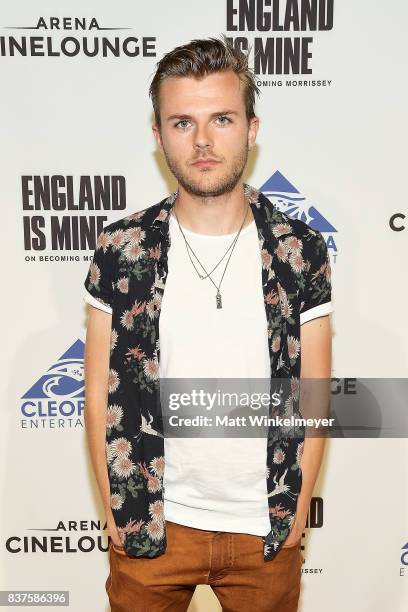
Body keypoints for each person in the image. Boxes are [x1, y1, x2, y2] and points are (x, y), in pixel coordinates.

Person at [83, 35, 333, 612]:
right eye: (181, 122)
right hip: (152, 524)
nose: (202, 140)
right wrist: (114, 510)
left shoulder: (300, 250)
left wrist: (296, 514)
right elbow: (98, 392)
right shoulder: (122, 249)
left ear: (251, 127)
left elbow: (315, 394)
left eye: (221, 118)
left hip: (264, 531)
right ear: (157, 135)